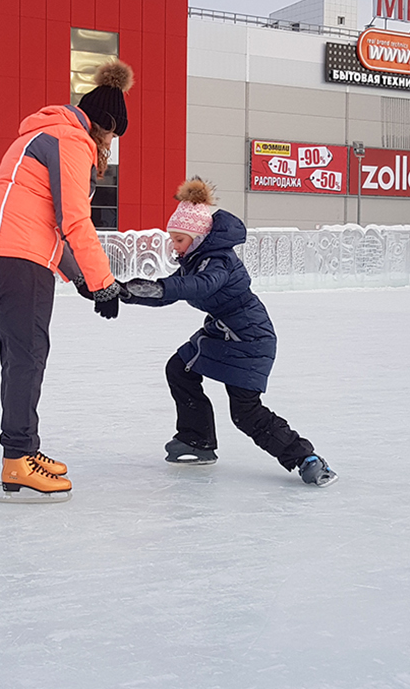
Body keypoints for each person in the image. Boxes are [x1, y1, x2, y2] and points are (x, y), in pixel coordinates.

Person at [0, 60, 131, 502]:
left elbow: (42, 221)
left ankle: (24, 450)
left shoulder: (36, 135)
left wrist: (80, 279)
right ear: (104, 125)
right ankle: (18, 460)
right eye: (114, 136)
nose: (111, 147)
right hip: (20, 261)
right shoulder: (72, 141)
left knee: (19, 355)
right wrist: (104, 283)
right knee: (28, 357)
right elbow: (75, 219)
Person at [120, 178, 336, 486]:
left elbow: (198, 286)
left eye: (179, 240)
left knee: (245, 412)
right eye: (172, 239)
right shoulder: (195, 260)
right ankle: (197, 440)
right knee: (179, 369)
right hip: (223, 330)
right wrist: (124, 292)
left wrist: (155, 288)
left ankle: (307, 459)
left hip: (249, 336)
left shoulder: (218, 261)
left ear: (196, 238)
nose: (174, 246)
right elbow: (171, 291)